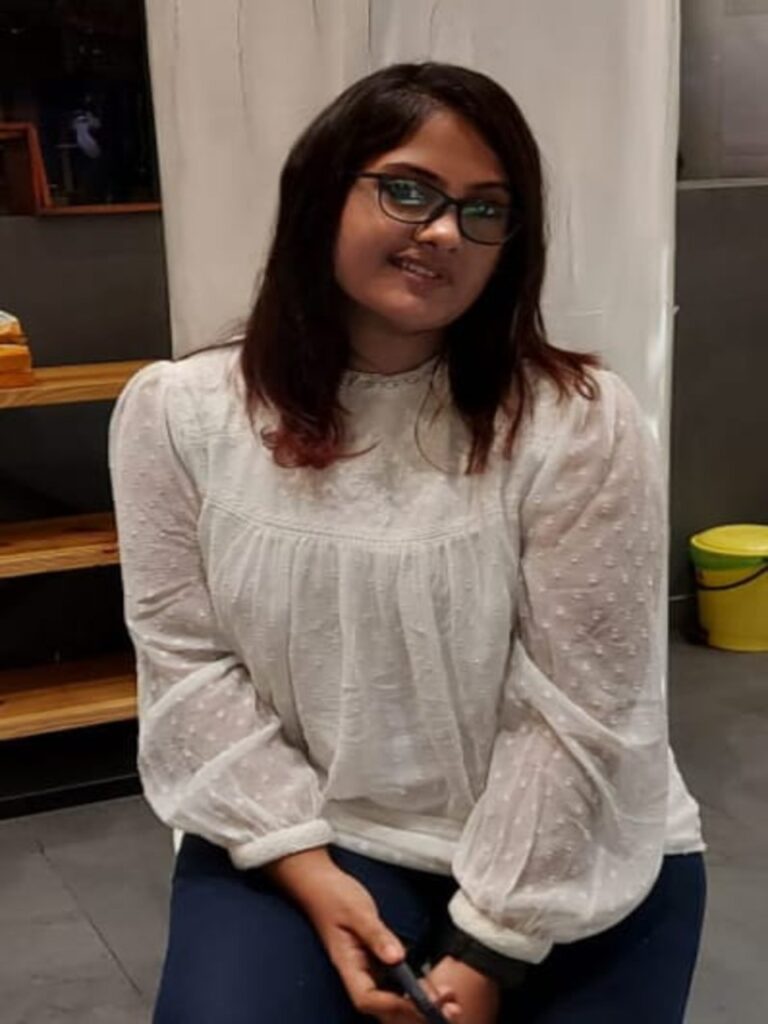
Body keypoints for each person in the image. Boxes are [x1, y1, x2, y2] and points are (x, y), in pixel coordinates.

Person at [109, 62, 706, 1024]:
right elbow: (186, 664)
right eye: (408, 190)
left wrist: (492, 943)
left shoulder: (577, 422)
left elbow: (582, 710)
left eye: (485, 209)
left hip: (575, 846)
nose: (444, 232)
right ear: (322, 192)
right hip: (311, 824)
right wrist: (306, 867)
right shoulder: (179, 415)